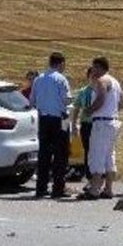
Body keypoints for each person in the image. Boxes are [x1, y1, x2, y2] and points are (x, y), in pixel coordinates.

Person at [29, 52, 70, 198]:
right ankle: (58, 189)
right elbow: (65, 100)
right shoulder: (61, 79)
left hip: (43, 119)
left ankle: (41, 188)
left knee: (44, 154)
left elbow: (32, 100)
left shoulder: (38, 79)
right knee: (60, 155)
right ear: (61, 63)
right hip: (59, 119)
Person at [84, 56, 123, 199]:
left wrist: (89, 110)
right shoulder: (116, 82)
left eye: (94, 67)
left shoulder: (102, 81)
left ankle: (95, 189)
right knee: (109, 156)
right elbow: (122, 104)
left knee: (97, 154)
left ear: (99, 67)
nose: (92, 70)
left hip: (102, 122)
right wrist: (111, 110)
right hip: (113, 122)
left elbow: (100, 99)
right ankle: (108, 189)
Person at [70, 66, 96, 180]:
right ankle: (89, 176)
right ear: (88, 77)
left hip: (97, 124)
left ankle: (97, 175)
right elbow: (76, 109)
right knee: (87, 150)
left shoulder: (101, 91)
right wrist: (74, 124)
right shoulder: (83, 91)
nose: (94, 78)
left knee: (96, 150)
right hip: (86, 124)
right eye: (92, 75)